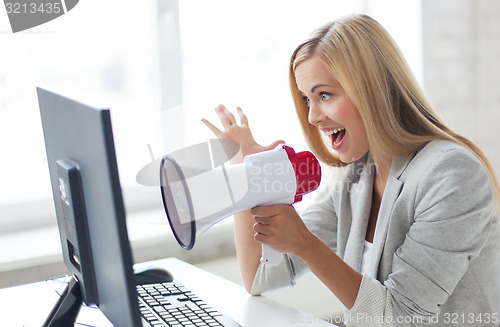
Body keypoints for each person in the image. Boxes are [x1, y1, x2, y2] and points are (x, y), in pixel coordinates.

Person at [202, 14, 500, 326]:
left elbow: (402, 317)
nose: (313, 116)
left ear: (371, 89)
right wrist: (246, 177)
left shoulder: (452, 174)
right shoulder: (357, 177)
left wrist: (306, 244)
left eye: (324, 95)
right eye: (307, 100)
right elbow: (259, 278)